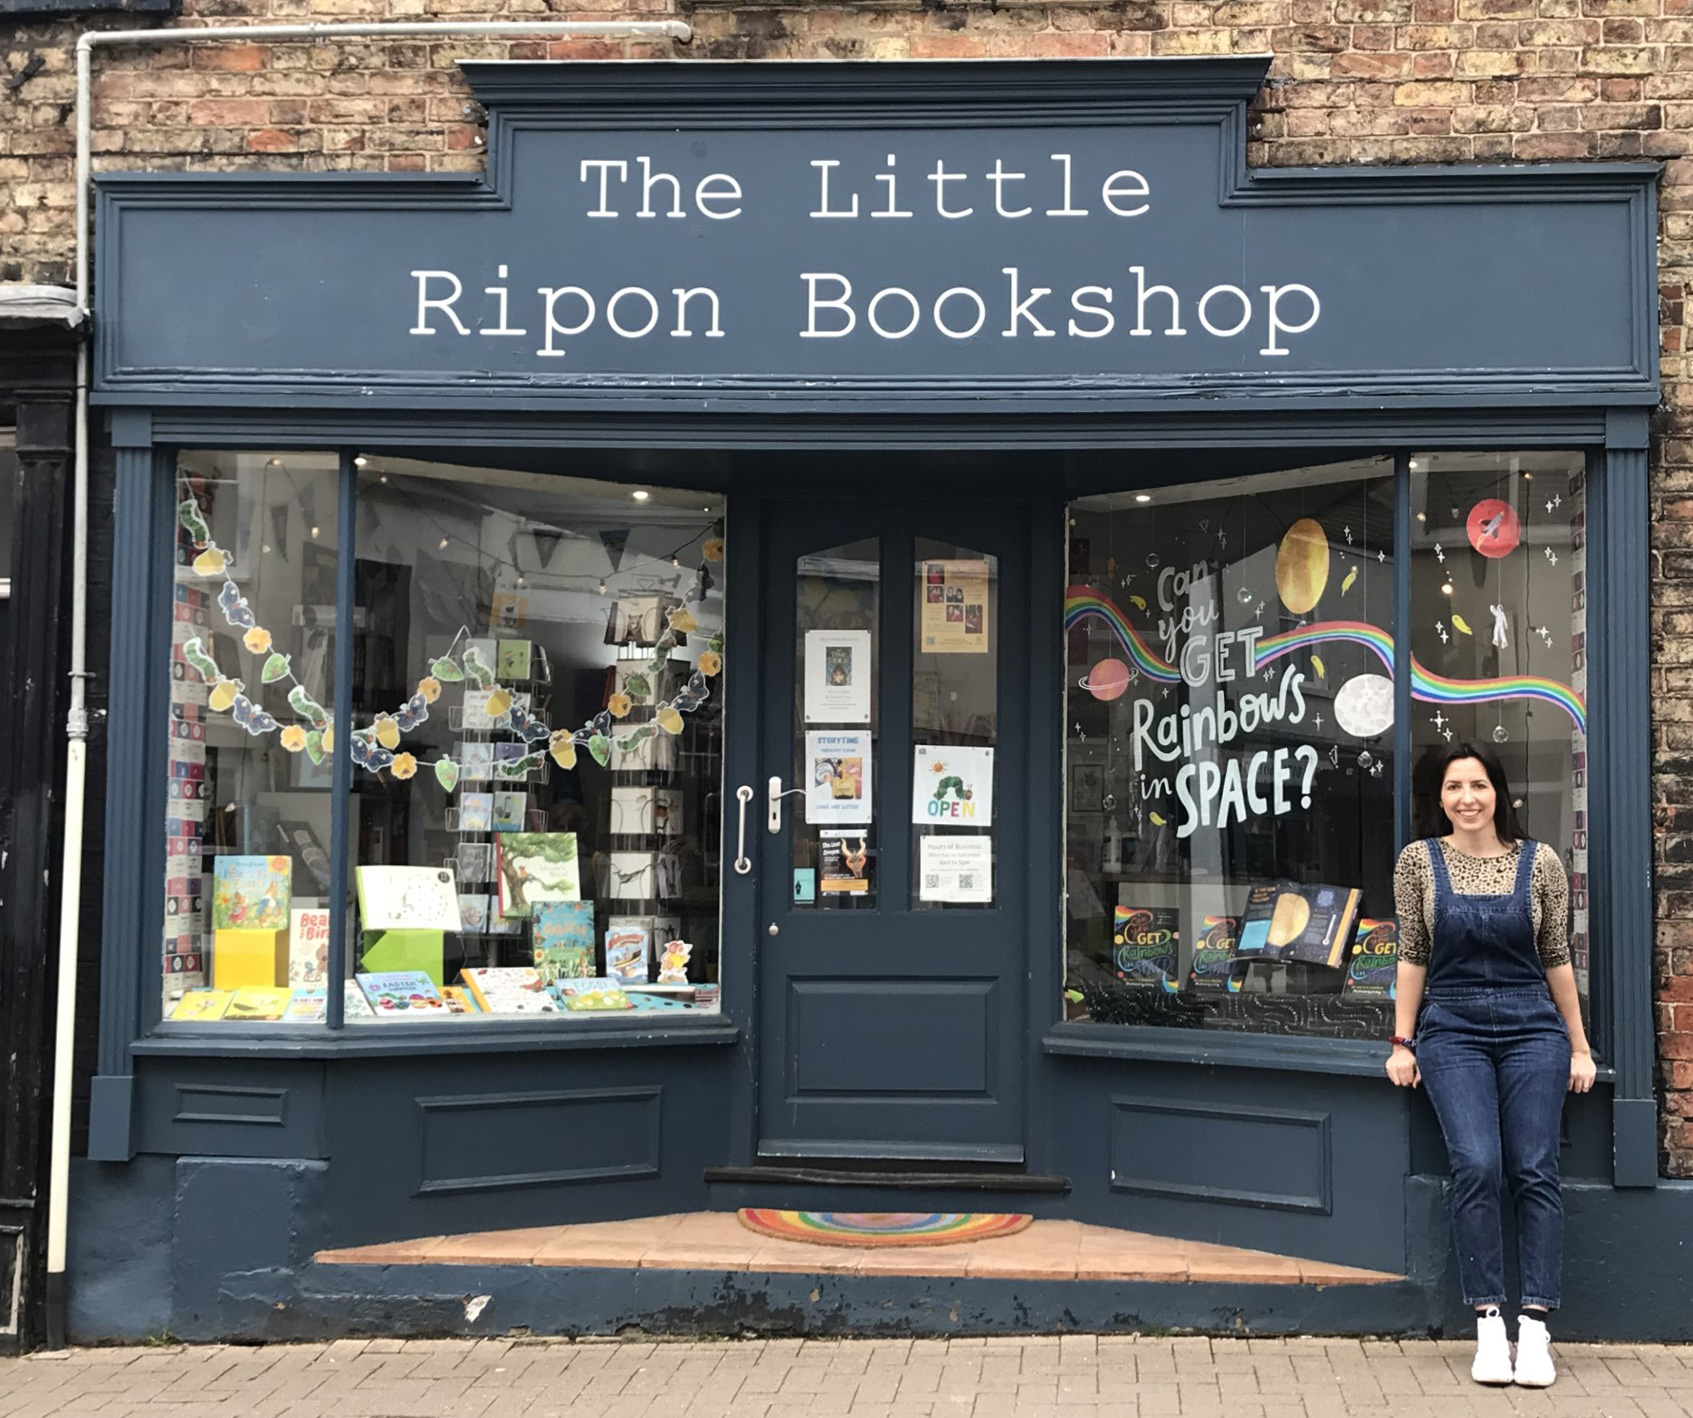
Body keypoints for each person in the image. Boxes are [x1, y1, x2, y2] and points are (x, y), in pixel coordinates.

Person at [1386, 741, 1595, 1389]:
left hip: (1532, 1025)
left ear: (1498, 793)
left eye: (1477, 785)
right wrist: (1401, 1041)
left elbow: (1556, 956)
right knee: (1476, 1163)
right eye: (1453, 787)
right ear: (1439, 798)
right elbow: (1412, 956)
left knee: (1533, 1168)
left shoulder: (1541, 864)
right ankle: (1487, 1321)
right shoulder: (1418, 862)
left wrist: (1578, 1044)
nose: (1466, 798)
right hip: (1451, 1027)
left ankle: (1534, 1325)